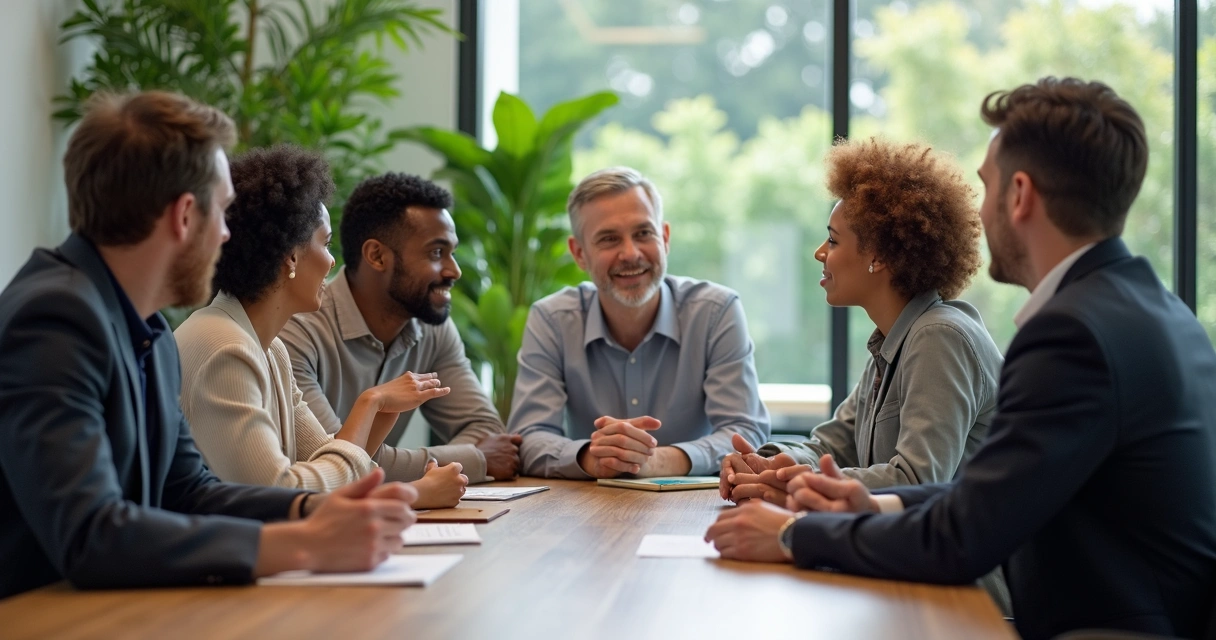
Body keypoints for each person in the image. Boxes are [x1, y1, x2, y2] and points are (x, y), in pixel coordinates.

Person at [704, 77, 1216, 640]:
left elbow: (966, 534)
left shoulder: (1072, 335)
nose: (980, 209)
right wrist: (871, 505)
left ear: (1019, 195)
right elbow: (993, 494)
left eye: (986, 186)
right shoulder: (1154, 311)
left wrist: (790, 536)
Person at [0, 91, 417, 599]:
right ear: (183, 216)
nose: (227, 235)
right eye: (222, 212)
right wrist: (303, 545)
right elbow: (92, 534)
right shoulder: (54, 320)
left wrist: (319, 510)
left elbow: (189, 492)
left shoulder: (145, 326)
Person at [175, 145, 467, 508]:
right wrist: (371, 404)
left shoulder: (267, 347)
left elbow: (328, 466)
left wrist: (377, 412)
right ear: (291, 256)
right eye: (326, 244)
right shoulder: (225, 347)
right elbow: (280, 493)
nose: (332, 263)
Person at [719, 138, 1002, 507]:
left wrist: (796, 482)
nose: (820, 252)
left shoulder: (939, 337)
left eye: (833, 241)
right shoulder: (893, 341)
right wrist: (768, 463)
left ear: (880, 257)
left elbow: (916, 479)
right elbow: (833, 446)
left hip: (955, 563)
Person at [508, 167, 771, 479]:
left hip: (695, 509)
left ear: (666, 238)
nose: (630, 254)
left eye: (644, 233)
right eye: (608, 239)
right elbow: (528, 436)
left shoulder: (716, 311)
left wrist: (659, 461)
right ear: (579, 254)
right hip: (590, 510)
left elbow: (744, 432)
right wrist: (595, 459)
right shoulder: (551, 320)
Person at [279, 173, 519, 484]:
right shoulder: (296, 329)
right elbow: (334, 463)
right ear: (377, 256)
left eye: (453, 252)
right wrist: (477, 459)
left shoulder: (432, 327)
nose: (454, 270)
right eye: (436, 253)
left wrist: (392, 464)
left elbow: (484, 427)